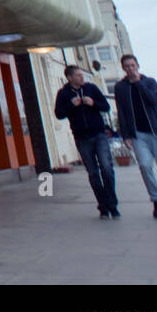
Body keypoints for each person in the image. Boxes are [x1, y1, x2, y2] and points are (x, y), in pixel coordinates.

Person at [115, 55, 157, 220]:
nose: (130, 69)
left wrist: (139, 83)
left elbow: (154, 101)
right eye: (127, 66)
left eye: (133, 65)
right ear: (123, 68)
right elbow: (121, 111)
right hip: (138, 134)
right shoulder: (120, 87)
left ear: (138, 66)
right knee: (144, 166)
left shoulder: (149, 81)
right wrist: (126, 135)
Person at [53, 64, 119, 219]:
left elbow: (106, 107)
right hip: (82, 138)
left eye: (81, 75)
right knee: (93, 173)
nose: (81, 77)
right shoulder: (63, 94)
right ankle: (103, 207)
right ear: (69, 78)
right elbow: (59, 113)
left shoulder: (91, 88)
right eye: (78, 75)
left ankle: (112, 204)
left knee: (107, 168)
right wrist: (71, 105)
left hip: (99, 134)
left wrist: (93, 103)